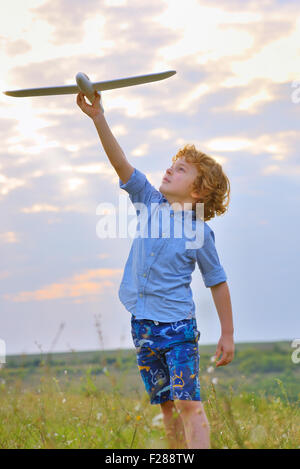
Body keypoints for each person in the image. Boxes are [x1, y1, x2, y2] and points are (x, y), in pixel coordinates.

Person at [76, 90, 235, 450]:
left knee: (189, 403)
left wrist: (227, 333)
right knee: (166, 406)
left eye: (181, 169)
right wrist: (98, 116)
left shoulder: (198, 231)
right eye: (171, 164)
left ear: (199, 192)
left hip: (178, 327)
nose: (169, 169)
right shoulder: (150, 202)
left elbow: (218, 281)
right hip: (143, 325)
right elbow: (121, 165)